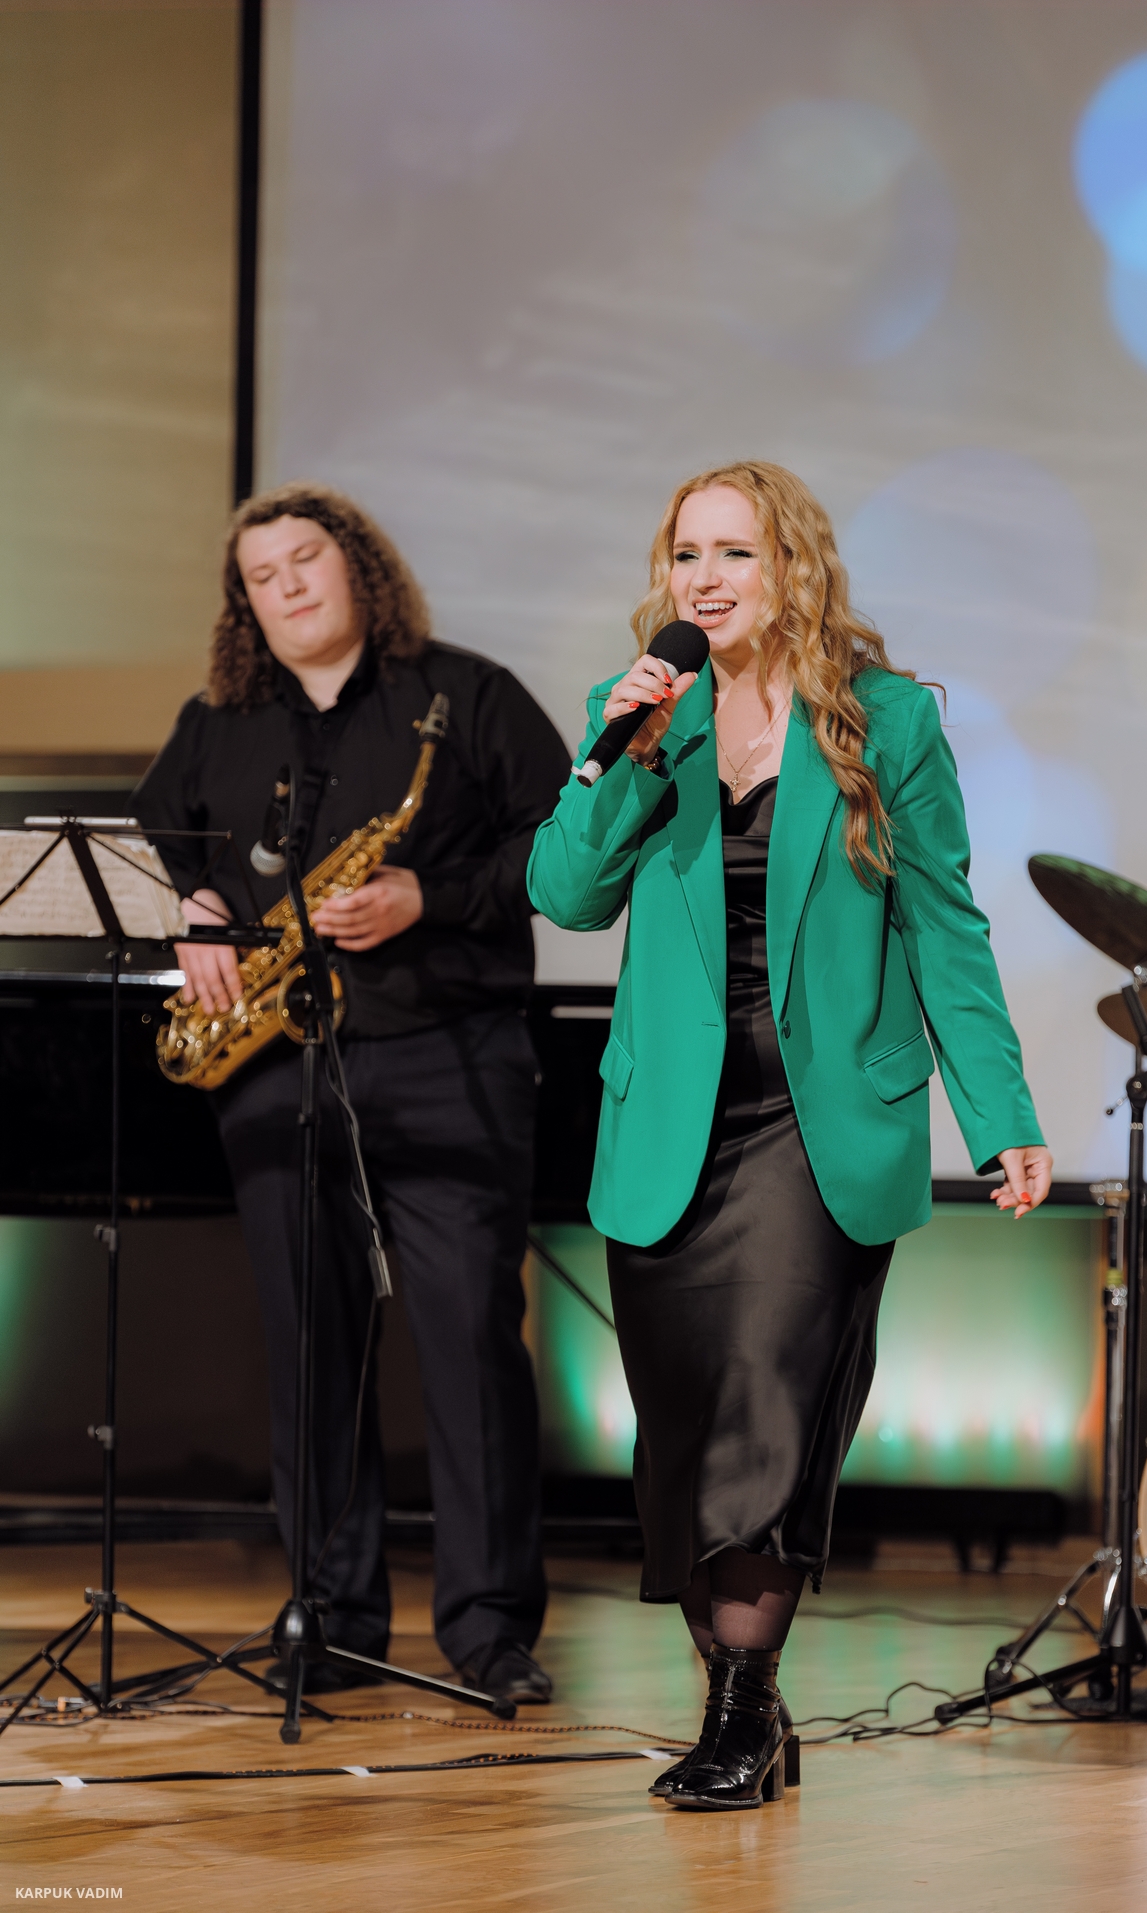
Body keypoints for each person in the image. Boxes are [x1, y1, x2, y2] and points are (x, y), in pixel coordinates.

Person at [527, 460, 1052, 1806]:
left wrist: (999, 1113)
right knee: (685, 1433)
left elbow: (943, 923)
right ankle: (742, 1707)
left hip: (816, 1127)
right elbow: (566, 894)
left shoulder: (886, 720)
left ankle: (740, 1714)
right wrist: (632, 751)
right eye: (686, 554)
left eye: (735, 554)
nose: (704, 579)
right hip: (671, 1121)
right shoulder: (638, 713)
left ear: (793, 566)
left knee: (769, 1403)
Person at [131, 481, 571, 1705]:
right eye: (261, 577)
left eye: (306, 561)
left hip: (446, 1052)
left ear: (359, 568)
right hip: (275, 1067)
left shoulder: (467, 695)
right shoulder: (216, 722)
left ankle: (488, 1631)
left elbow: (566, 849)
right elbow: (162, 836)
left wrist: (432, 897)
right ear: (244, 604)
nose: (287, 588)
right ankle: (326, 1620)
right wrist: (194, 903)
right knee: (310, 1349)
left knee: (469, 1346)